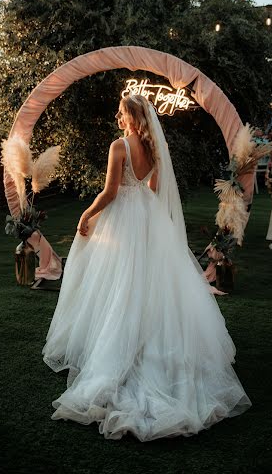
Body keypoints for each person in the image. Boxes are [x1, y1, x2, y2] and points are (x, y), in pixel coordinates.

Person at [42, 94, 251, 441]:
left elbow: (109, 192)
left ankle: (121, 349)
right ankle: (150, 341)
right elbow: (153, 188)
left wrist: (87, 213)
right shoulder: (155, 147)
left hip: (123, 218)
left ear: (131, 117)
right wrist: (144, 211)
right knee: (147, 281)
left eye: (121, 111)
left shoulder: (119, 146)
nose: (117, 115)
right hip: (146, 215)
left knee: (118, 282)